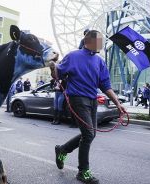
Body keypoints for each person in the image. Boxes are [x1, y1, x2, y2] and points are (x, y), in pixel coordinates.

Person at [50, 30, 126, 184]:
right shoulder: (73, 56)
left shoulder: (99, 61)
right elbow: (58, 75)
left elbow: (106, 85)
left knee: (90, 134)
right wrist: (53, 68)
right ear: (89, 41)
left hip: (92, 100)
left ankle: (63, 150)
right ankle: (83, 172)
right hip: (77, 99)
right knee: (89, 134)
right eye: (100, 41)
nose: (102, 44)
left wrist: (118, 103)